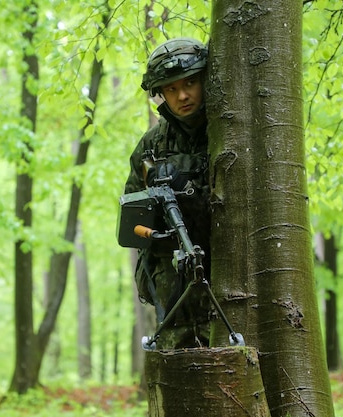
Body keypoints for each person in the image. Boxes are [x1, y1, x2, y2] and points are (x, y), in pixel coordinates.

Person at [124, 37, 212, 349]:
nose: (183, 95)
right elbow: (132, 225)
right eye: (171, 89)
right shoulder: (150, 147)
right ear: (161, 94)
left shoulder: (230, 132)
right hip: (175, 293)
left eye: (190, 83)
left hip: (233, 285)